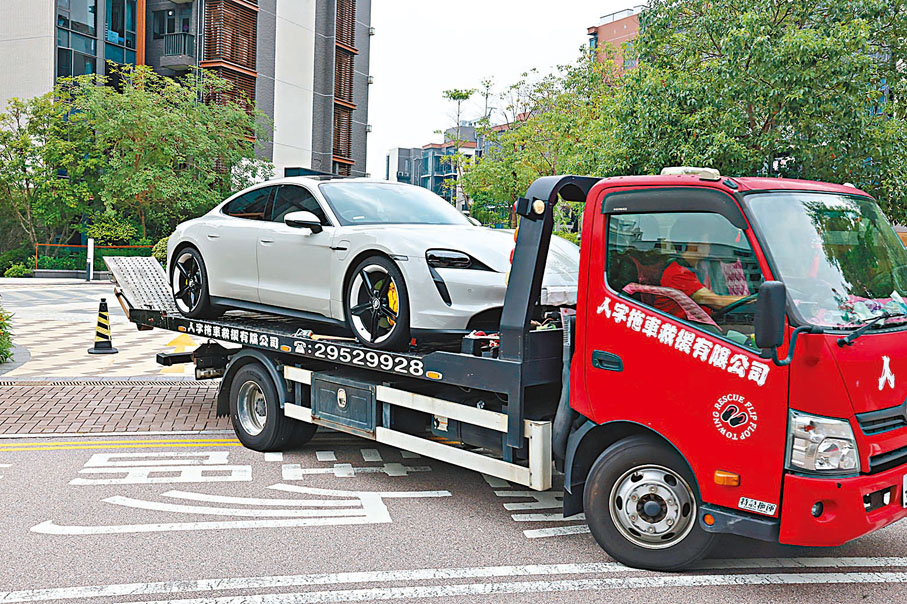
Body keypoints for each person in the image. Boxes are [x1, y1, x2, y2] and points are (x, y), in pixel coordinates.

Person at [656, 229, 747, 323]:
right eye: (707, 242)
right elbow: (718, 303)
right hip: (682, 328)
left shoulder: (698, 268)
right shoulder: (678, 274)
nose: (710, 247)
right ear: (693, 244)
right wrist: (752, 299)